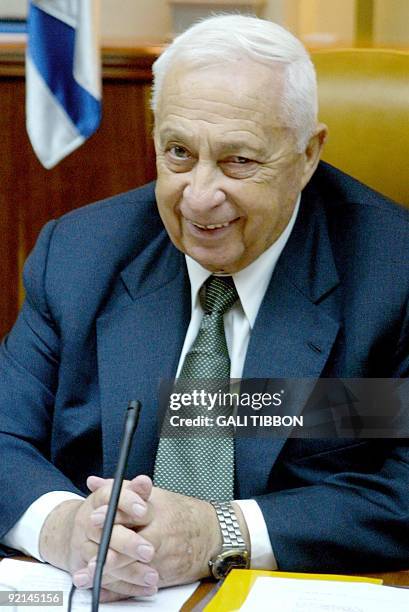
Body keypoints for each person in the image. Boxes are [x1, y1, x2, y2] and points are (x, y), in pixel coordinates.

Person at [0, 14, 408, 602]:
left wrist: (222, 531)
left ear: (307, 154)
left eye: (239, 160)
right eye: (179, 153)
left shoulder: (391, 272)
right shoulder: (80, 255)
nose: (199, 196)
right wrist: (65, 528)